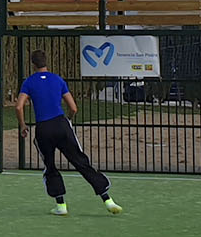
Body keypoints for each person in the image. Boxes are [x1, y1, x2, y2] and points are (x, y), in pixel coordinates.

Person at [14, 50, 121, 216]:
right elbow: (73, 107)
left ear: (33, 65)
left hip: (43, 129)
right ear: (46, 63)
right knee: (80, 161)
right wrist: (68, 120)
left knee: (50, 166)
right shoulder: (58, 80)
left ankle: (61, 205)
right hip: (61, 125)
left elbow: (19, 106)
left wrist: (22, 125)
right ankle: (107, 200)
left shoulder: (28, 82)